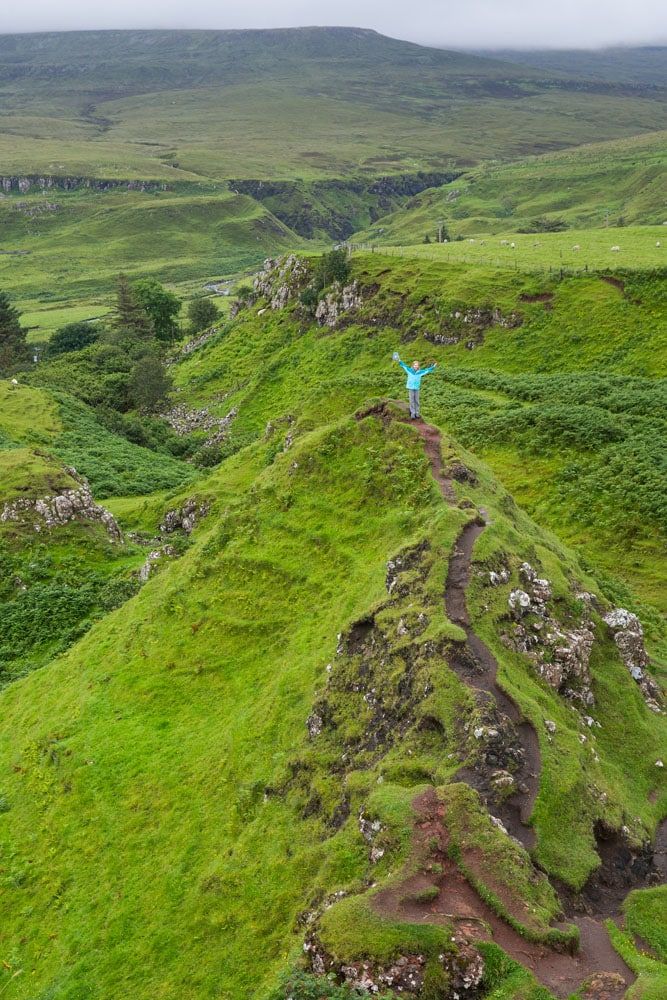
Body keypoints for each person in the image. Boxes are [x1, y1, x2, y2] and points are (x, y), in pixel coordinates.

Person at [393, 353, 437, 419]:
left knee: (417, 401)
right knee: (411, 400)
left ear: (418, 366)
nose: (416, 366)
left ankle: (417, 413)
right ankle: (413, 413)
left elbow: (427, 370)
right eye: (415, 365)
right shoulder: (409, 370)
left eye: (417, 365)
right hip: (410, 388)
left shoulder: (420, 372)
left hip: (417, 388)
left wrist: (433, 367)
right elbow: (404, 366)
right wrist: (399, 360)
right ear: (413, 366)